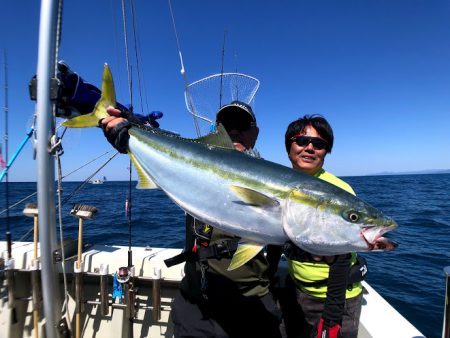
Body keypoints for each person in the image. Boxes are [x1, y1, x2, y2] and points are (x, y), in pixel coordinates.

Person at [102, 101, 282, 338]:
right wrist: (128, 135)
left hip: (251, 302)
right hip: (196, 304)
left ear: (255, 133)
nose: (235, 131)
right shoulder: (192, 167)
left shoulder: (275, 180)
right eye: (228, 126)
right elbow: (167, 148)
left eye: (242, 125)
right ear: (216, 131)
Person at [279, 115, 367, 338]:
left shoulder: (339, 190)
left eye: (319, 144)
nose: (309, 148)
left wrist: (333, 312)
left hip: (334, 296)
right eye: (301, 141)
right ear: (289, 146)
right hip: (294, 289)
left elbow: (343, 249)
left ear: (326, 151)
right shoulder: (278, 180)